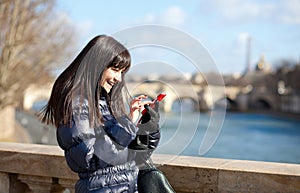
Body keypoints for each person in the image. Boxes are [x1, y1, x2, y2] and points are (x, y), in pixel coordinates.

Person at [41, 35, 161, 193]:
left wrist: (148, 127)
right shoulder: (76, 104)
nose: (118, 78)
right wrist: (126, 127)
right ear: (97, 65)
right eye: (115, 69)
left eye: (122, 72)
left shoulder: (106, 102)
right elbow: (88, 159)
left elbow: (135, 157)